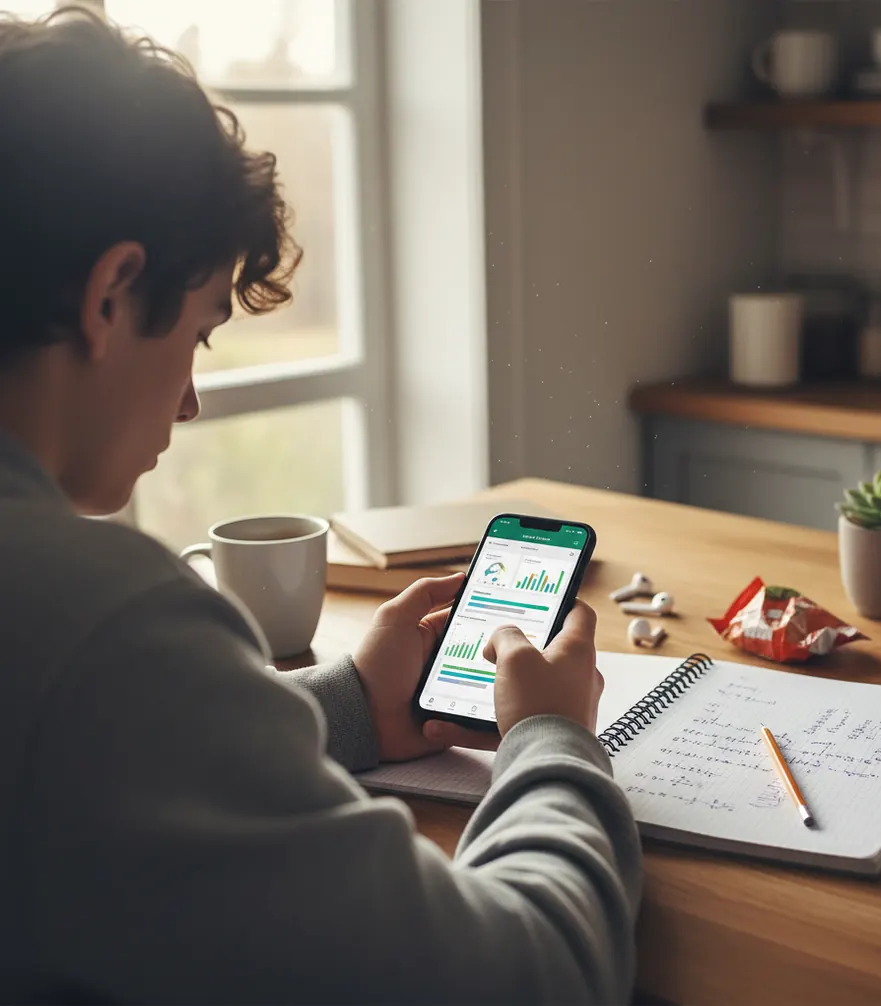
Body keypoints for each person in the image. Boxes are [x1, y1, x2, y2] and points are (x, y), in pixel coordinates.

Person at [0, 8, 642, 1005]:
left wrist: (346, 707)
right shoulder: (98, 623)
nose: (188, 399)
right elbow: (538, 974)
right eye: (204, 330)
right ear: (112, 293)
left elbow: (84, 769)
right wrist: (552, 738)